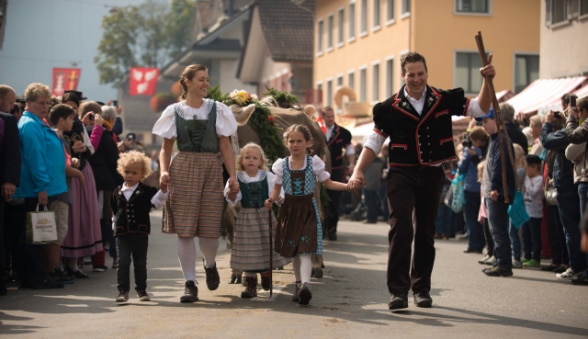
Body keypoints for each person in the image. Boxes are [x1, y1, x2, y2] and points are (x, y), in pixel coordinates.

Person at [350, 52, 495, 310]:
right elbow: (374, 142)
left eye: (420, 74)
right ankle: (398, 291)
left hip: (432, 172)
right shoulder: (388, 107)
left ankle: (421, 289)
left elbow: (480, 109)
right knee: (401, 227)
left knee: (426, 232)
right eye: (411, 74)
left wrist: (486, 80)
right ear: (403, 76)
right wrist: (358, 170)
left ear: (426, 73)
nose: (416, 79)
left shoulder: (443, 98)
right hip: (401, 173)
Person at [152, 64, 239, 303]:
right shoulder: (174, 111)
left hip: (211, 168)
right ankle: (189, 282)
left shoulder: (217, 109)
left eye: (207, 79)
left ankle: (210, 264)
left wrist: (232, 175)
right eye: (201, 79)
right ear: (187, 82)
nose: (206, 84)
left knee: (210, 229)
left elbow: (225, 146)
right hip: (182, 168)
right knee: (186, 230)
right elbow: (165, 148)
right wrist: (164, 172)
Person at [264, 124, 353, 306]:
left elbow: (328, 184)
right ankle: (298, 284)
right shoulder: (281, 165)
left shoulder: (314, 163)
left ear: (308, 143)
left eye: (299, 141)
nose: (295, 144)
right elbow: (276, 189)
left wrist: (347, 186)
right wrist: (270, 200)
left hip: (308, 209)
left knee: (305, 249)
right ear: (286, 143)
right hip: (289, 209)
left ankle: (305, 285)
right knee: (294, 252)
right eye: (292, 141)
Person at [13, 83, 67, 289]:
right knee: (33, 236)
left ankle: (34, 275)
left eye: (48, 103)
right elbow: (34, 158)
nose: (45, 107)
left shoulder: (37, 122)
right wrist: (41, 186)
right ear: (29, 103)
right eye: (41, 103)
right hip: (34, 188)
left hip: (40, 187)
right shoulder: (30, 125)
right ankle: (34, 276)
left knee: (35, 236)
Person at [225, 143, 290, 298]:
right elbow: (232, 200)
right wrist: (233, 192)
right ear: (241, 160)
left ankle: (266, 273)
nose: (251, 160)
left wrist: (277, 199)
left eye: (255, 158)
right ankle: (250, 284)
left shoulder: (267, 177)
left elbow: (276, 192)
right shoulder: (236, 178)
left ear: (260, 161)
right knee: (248, 250)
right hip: (246, 217)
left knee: (265, 246)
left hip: (264, 216)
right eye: (247, 157)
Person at [111, 150, 168, 303]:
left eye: (134, 173)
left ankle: (141, 289)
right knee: (122, 261)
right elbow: (114, 210)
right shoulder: (117, 191)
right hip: (121, 233)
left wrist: (163, 190)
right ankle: (122, 291)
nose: (130, 175)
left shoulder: (147, 191)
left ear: (142, 174)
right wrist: (113, 224)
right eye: (127, 171)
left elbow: (157, 202)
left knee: (140, 262)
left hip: (140, 232)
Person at [60, 91, 103, 277]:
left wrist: (84, 148)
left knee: (80, 217)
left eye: (74, 107)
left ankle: (74, 264)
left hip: (83, 172)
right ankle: (61, 264)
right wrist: (70, 150)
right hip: (67, 174)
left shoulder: (78, 124)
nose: (71, 110)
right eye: (67, 106)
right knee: (67, 219)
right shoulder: (58, 126)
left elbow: (91, 147)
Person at [540, 109, 586, 281]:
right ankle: (575, 265)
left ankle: (577, 266)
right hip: (571, 182)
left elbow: (546, 141)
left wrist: (547, 122)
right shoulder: (576, 129)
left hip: (568, 184)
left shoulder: (574, 131)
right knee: (572, 228)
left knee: (571, 229)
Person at [479, 109, 516, 277]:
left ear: (496, 121)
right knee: (495, 229)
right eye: (482, 122)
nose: (484, 125)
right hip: (489, 191)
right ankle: (499, 259)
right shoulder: (494, 140)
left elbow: (499, 167)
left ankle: (504, 263)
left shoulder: (501, 140)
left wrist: (495, 187)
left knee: (499, 229)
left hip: (496, 192)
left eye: (486, 121)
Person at [321, 106, 355, 240]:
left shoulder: (343, 132)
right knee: (322, 201)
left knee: (334, 201)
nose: (330, 119)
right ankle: (323, 228)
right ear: (323, 117)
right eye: (327, 116)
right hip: (320, 171)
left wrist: (352, 163)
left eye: (332, 116)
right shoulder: (317, 130)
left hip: (336, 170)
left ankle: (332, 229)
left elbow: (350, 149)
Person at [0, 84, 20, 295]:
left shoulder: (6, 120)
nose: (14, 106)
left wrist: (9, 181)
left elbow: (13, 154)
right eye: (11, 102)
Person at [459, 127, 487, 253]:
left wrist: (463, 156)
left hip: (470, 186)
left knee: (470, 217)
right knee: (480, 217)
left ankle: (473, 244)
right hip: (481, 187)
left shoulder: (469, 151)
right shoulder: (484, 151)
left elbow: (462, 168)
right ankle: (481, 243)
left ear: (475, 140)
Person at [521, 154, 544, 268]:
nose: (526, 170)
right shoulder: (527, 179)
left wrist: (527, 182)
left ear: (535, 167)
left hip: (535, 213)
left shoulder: (539, 179)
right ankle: (527, 256)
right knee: (526, 235)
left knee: (535, 236)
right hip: (526, 212)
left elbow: (534, 192)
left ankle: (536, 257)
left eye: (528, 167)